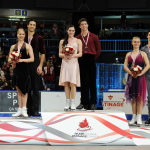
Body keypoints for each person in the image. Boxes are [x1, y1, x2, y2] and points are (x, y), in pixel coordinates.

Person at [76, 18, 101, 111]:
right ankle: (83, 102)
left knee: (92, 82)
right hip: (81, 59)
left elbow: (98, 50)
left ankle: (93, 103)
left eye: (85, 24)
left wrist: (93, 58)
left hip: (91, 58)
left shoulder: (94, 36)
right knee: (83, 82)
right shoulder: (77, 37)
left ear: (88, 25)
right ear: (79, 26)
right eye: (82, 24)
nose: (84, 26)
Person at [8, 28, 34, 117]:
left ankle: (24, 109)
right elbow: (8, 59)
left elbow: (32, 59)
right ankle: (19, 109)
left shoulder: (28, 46)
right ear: (17, 35)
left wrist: (21, 60)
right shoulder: (13, 47)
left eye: (23, 34)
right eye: (20, 34)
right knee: (18, 90)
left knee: (25, 90)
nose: (21, 36)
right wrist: (13, 60)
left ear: (25, 35)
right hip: (16, 70)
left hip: (25, 70)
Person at [124, 36, 149, 125]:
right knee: (133, 97)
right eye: (134, 42)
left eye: (138, 42)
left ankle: (139, 117)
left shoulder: (143, 54)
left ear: (140, 43)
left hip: (140, 78)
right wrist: (130, 73)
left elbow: (148, 65)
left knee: (140, 97)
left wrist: (141, 73)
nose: (136, 43)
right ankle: (133, 117)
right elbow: (125, 66)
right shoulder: (128, 54)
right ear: (132, 43)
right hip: (131, 78)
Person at [25, 19, 46, 117]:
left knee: (35, 88)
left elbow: (43, 53)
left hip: (35, 63)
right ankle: (27, 109)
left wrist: (40, 65)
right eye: (31, 24)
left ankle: (35, 110)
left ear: (35, 26)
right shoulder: (23, 36)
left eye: (34, 25)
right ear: (27, 26)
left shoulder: (39, 38)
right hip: (24, 64)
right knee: (26, 87)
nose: (32, 26)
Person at [59, 25, 82, 111]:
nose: (71, 32)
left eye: (73, 30)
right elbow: (59, 54)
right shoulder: (62, 41)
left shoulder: (78, 41)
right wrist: (65, 55)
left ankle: (73, 102)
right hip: (65, 62)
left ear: (75, 31)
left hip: (73, 63)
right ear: (67, 31)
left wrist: (72, 55)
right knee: (66, 83)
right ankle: (67, 102)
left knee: (73, 83)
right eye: (70, 30)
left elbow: (80, 54)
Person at [141, 30, 150, 125]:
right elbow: (140, 62)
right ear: (147, 36)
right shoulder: (143, 49)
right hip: (147, 75)